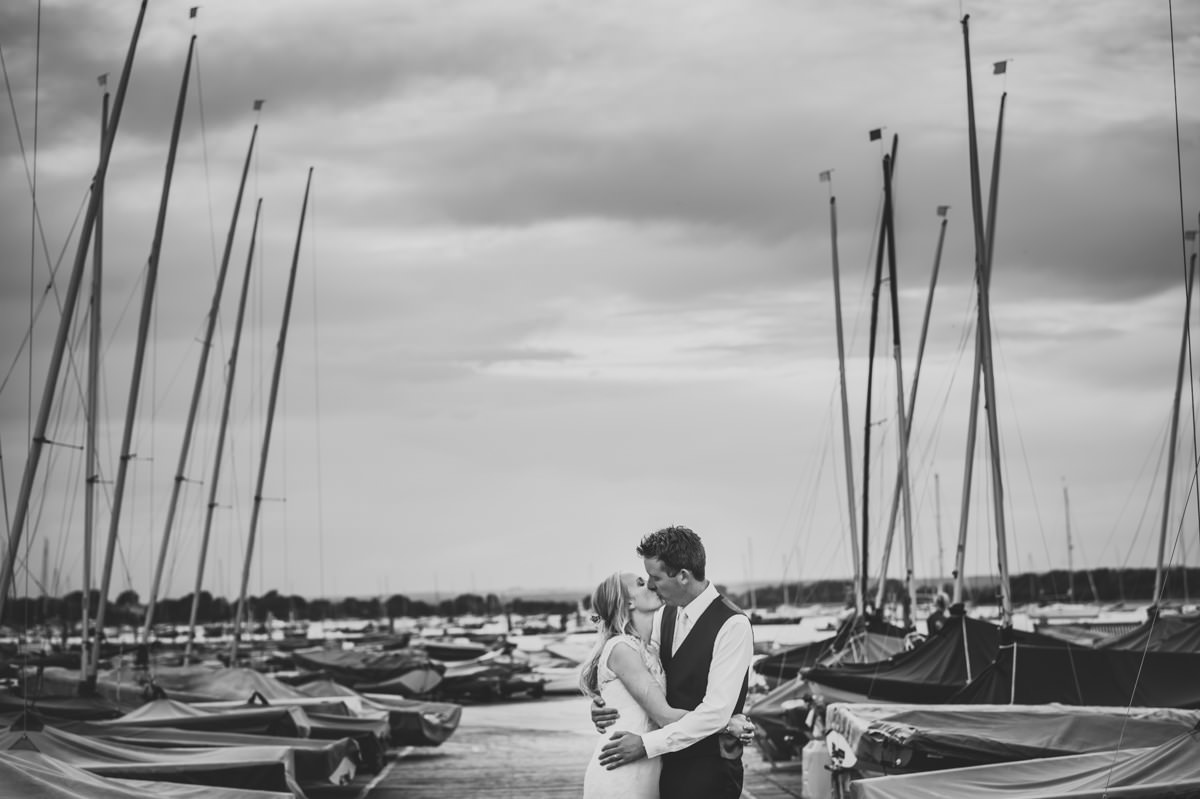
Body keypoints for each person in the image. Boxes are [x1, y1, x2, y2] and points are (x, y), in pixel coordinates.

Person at [591, 526, 754, 799]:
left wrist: (645, 745)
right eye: (645, 580)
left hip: (707, 769)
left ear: (683, 576)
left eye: (655, 577)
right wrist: (607, 704)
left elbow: (715, 711)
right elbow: (643, 675)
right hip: (661, 769)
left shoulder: (732, 625)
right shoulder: (663, 615)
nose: (651, 585)